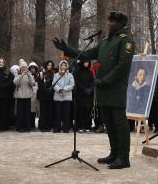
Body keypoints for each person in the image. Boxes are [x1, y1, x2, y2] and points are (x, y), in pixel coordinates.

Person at [53, 10, 134, 169]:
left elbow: (122, 66)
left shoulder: (126, 41)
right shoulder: (105, 41)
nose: (110, 23)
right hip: (102, 88)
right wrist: (66, 49)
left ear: (121, 24)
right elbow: (86, 55)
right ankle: (114, 153)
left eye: (113, 21)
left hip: (115, 88)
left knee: (119, 123)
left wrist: (105, 80)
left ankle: (124, 158)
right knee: (109, 123)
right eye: (109, 20)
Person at [52, 60, 75, 133]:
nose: (63, 67)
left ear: (67, 66)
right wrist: (59, 90)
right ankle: (57, 128)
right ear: (60, 66)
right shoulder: (56, 75)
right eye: (62, 65)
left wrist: (65, 89)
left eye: (65, 65)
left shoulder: (70, 75)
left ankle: (66, 128)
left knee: (66, 113)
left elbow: (72, 85)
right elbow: (54, 84)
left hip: (67, 96)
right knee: (58, 113)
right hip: (58, 96)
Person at [13, 59, 36, 132]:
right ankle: (20, 127)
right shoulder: (18, 75)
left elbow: (33, 83)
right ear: (20, 69)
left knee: (27, 113)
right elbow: (15, 82)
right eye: (22, 68)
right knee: (20, 113)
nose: (24, 69)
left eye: (25, 67)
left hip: (28, 97)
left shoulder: (29, 76)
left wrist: (29, 75)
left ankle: (27, 127)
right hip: (20, 97)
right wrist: (22, 75)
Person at [73, 59, 94, 132]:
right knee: (80, 111)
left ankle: (87, 125)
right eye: (85, 62)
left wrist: (90, 89)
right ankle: (80, 126)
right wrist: (84, 89)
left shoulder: (90, 72)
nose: (86, 64)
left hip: (88, 95)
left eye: (88, 62)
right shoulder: (78, 72)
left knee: (87, 111)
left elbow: (92, 81)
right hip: (80, 94)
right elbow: (77, 82)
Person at [38, 60, 55, 132]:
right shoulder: (42, 73)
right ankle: (43, 126)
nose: (49, 66)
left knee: (50, 112)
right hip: (43, 95)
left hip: (51, 96)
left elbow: (54, 84)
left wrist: (51, 91)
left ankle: (49, 126)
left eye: (51, 65)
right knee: (43, 112)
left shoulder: (54, 74)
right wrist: (46, 90)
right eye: (48, 65)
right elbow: (40, 84)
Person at [28, 62, 41, 129]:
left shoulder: (38, 76)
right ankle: (31, 125)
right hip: (31, 96)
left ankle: (40, 124)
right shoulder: (28, 76)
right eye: (31, 68)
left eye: (34, 68)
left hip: (38, 96)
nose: (33, 69)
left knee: (39, 111)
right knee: (32, 112)